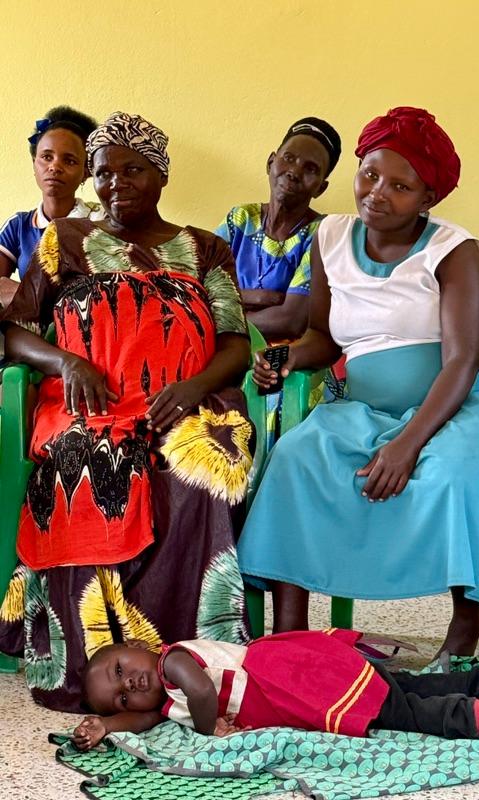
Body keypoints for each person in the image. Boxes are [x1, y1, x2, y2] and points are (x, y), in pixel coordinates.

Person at [237, 107, 479, 655]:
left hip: (467, 402)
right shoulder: (330, 236)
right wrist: (287, 357)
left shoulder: (454, 251)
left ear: (427, 199)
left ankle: (465, 625)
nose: (377, 193)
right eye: (370, 174)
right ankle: (289, 636)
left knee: (456, 474)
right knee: (295, 460)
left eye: (400, 186)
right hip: (367, 407)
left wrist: (407, 444)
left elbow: (463, 361)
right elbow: (324, 336)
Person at [0, 112, 253, 713]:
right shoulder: (66, 239)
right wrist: (66, 362)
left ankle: (192, 658)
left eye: (133, 170)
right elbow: (14, 331)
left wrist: (193, 388)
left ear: (161, 176)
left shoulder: (206, 249)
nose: (116, 183)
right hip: (89, 405)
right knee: (83, 467)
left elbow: (236, 343)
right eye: (104, 172)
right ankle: (94, 665)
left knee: (198, 474)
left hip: (187, 403)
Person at [72, 630, 479, 751]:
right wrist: (108, 725)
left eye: (120, 669)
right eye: (121, 696)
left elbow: (200, 692)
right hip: (299, 675)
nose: (130, 685)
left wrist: (208, 729)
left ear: (137, 647)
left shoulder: (171, 662)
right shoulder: (159, 701)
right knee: (402, 686)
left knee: (397, 712)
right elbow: (145, 716)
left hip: (298, 679)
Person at [215, 117, 341, 343]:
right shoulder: (241, 219)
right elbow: (197, 289)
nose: (294, 172)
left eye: (311, 169)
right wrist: (263, 297)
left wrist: (224, 312)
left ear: (320, 188)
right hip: (222, 346)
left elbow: (290, 321)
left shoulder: (321, 234)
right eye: (288, 158)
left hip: (284, 357)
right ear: (270, 162)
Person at [0, 105, 103, 308]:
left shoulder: (100, 221)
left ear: (86, 172)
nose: (54, 166)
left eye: (70, 161)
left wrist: (26, 294)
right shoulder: (19, 225)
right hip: (30, 325)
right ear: (34, 163)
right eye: (47, 157)